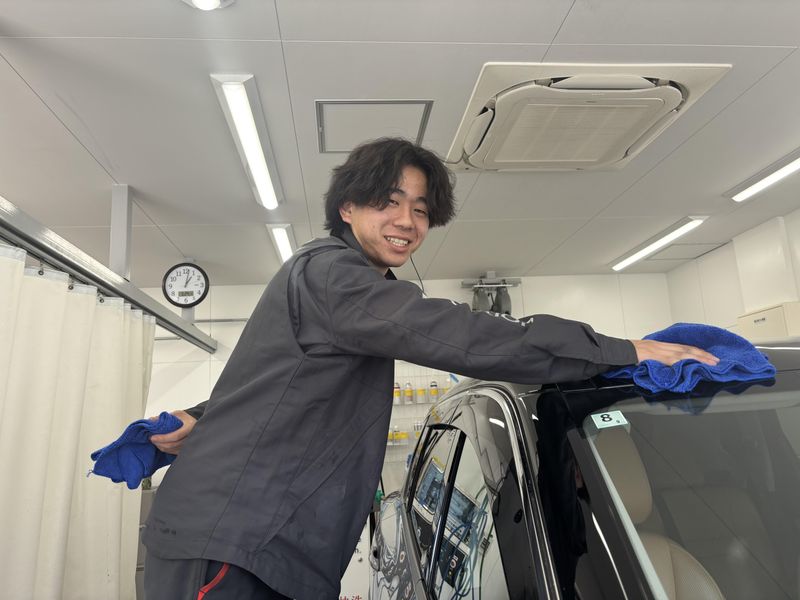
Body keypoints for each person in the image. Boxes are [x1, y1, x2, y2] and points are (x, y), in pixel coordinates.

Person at [142, 137, 718, 600]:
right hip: (238, 542)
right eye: (388, 202)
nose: (407, 220)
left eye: (420, 209)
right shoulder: (334, 275)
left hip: (255, 537)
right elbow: (462, 335)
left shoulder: (336, 283)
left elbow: (276, 380)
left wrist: (204, 419)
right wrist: (620, 350)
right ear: (347, 208)